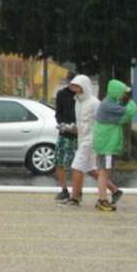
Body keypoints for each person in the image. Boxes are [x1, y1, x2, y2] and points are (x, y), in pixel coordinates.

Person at [63, 75, 119, 206]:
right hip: (82, 139)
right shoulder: (77, 101)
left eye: (77, 86)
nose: (74, 89)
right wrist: (72, 128)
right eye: (73, 86)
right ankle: (115, 190)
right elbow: (81, 123)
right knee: (89, 168)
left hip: (92, 139)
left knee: (76, 166)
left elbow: (102, 121)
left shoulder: (95, 103)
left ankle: (75, 198)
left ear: (85, 86)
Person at [92, 79, 137, 212]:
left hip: (106, 143)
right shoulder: (110, 105)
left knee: (104, 172)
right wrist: (129, 99)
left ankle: (103, 199)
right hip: (107, 145)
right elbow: (132, 110)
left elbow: (123, 118)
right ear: (117, 92)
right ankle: (102, 200)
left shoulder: (109, 102)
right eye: (123, 92)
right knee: (104, 173)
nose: (125, 95)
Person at [53, 73, 77, 201]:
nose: (74, 86)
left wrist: (77, 128)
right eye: (72, 83)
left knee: (76, 165)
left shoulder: (82, 95)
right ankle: (64, 189)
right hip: (64, 133)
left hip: (79, 135)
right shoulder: (61, 94)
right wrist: (63, 125)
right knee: (58, 161)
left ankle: (76, 192)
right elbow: (58, 113)